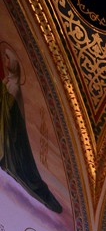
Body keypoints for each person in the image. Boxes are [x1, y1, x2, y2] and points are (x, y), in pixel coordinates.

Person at [0, 44, 62, 212]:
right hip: (9, 134)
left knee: (24, 168)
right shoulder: (8, 83)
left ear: (13, 64)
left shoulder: (14, 86)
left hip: (15, 137)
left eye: (7, 58)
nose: (5, 60)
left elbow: (10, 111)